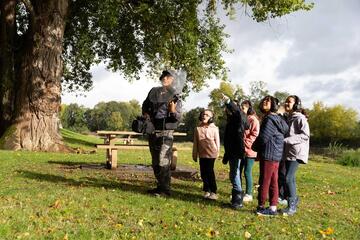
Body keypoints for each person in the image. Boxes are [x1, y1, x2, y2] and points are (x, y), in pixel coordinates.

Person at [142, 70, 182, 196]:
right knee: (155, 161)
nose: (165, 78)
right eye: (164, 76)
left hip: (166, 131)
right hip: (153, 130)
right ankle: (160, 186)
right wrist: (146, 115)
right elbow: (145, 106)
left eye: (168, 77)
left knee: (162, 160)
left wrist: (172, 111)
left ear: (172, 80)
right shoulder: (154, 91)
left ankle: (165, 189)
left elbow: (178, 117)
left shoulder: (175, 95)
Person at [253, 95, 289, 216]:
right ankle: (273, 207)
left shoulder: (269, 119)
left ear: (273, 105)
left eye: (268, 101)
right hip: (276, 155)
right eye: (263, 100)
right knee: (273, 181)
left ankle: (261, 206)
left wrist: (254, 147)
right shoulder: (278, 118)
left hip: (269, 154)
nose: (265, 102)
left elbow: (263, 138)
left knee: (264, 181)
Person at [282, 95, 310, 215]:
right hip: (289, 152)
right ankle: (294, 200)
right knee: (290, 178)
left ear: (296, 105)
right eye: (286, 101)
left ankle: (292, 206)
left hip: (296, 153)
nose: (286, 103)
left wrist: (287, 140)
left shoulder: (300, 119)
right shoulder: (289, 118)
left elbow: (305, 135)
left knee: (288, 178)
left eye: (289, 102)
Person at [222, 94, 249, 209]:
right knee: (233, 174)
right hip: (232, 151)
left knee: (235, 173)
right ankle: (236, 198)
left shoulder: (239, 117)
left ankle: (238, 199)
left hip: (237, 151)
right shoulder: (232, 120)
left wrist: (228, 101)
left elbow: (238, 112)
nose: (226, 110)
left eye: (229, 108)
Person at [192, 109, 220, 200]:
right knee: (203, 172)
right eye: (203, 114)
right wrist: (194, 154)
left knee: (209, 171)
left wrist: (217, 152)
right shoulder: (197, 128)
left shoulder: (214, 128)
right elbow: (195, 143)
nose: (204, 116)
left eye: (207, 115)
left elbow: (217, 141)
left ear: (211, 118)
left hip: (211, 153)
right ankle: (207, 190)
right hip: (202, 154)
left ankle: (213, 191)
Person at [240, 100, 260, 202]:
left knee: (247, 171)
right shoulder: (242, 118)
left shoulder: (253, 120)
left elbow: (255, 134)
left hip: (250, 151)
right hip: (241, 150)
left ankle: (249, 194)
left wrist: (246, 143)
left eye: (243, 108)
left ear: (249, 108)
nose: (241, 110)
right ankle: (240, 191)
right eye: (241, 108)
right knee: (239, 171)